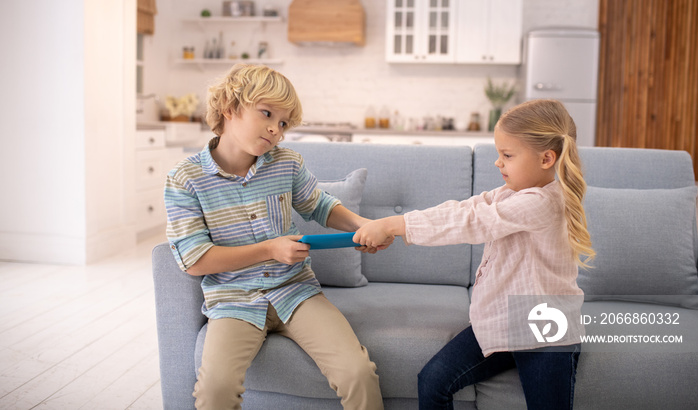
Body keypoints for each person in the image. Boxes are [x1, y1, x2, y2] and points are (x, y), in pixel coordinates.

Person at [164, 64, 384, 410]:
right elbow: (195, 260)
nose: (275, 129)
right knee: (215, 391)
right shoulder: (185, 179)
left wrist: (368, 226)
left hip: (296, 292)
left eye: (282, 123)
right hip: (233, 301)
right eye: (266, 113)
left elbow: (320, 205)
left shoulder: (287, 163)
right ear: (230, 108)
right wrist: (270, 249)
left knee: (357, 373)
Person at [353, 99, 595, 410]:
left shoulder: (543, 202)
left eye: (507, 155)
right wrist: (396, 227)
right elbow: (466, 209)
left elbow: (474, 223)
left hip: (546, 334)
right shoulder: (512, 193)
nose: (498, 162)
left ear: (547, 158)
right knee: (432, 382)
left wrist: (396, 223)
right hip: (506, 321)